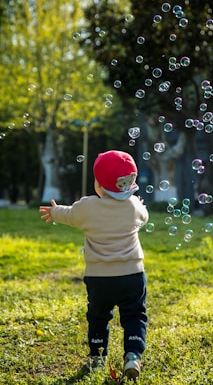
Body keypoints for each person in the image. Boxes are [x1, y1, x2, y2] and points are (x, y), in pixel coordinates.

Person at [39, 150, 149, 381]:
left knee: (98, 315)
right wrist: (135, 200)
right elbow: (145, 217)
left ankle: (97, 355)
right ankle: (132, 355)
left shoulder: (87, 207)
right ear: (131, 182)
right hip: (132, 275)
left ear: (98, 183)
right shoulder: (134, 206)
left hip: (99, 278)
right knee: (134, 315)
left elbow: (68, 214)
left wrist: (54, 212)